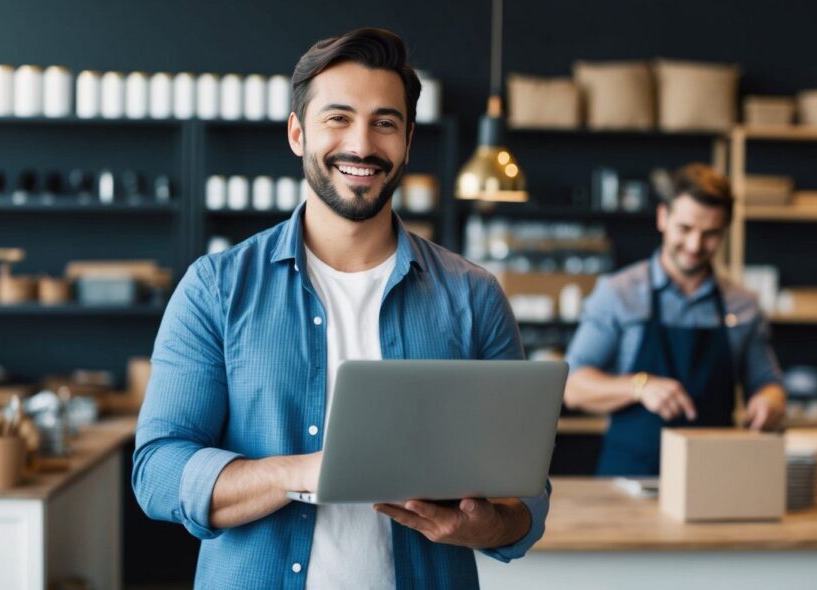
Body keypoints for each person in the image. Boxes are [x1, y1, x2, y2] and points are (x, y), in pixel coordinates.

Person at [132, 28, 548, 589]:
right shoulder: (216, 288)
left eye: (385, 122)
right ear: (298, 133)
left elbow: (524, 495)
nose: (362, 144)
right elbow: (157, 473)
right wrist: (304, 472)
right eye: (338, 118)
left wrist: (484, 525)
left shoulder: (473, 296)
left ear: (407, 141)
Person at [563, 163, 787, 476]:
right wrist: (639, 386)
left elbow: (767, 382)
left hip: (715, 479)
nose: (695, 245)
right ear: (663, 218)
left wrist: (769, 402)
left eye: (710, 234)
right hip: (629, 479)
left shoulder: (743, 304)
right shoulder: (618, 293)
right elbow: (571, 386)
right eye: (685, 229)